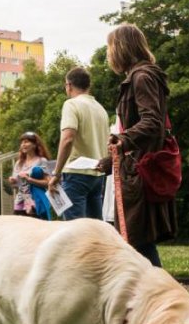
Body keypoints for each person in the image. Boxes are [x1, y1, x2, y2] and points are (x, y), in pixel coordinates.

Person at [97, 24, 177, 267]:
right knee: (135, 242)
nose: (109, 55)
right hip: (135, 167)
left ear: (121, 48)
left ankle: (160, 296)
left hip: (139, 173)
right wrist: (112, 161)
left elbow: (152, 122)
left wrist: (122, 139)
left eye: (110, 48)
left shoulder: (141, 77)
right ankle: (152, 296)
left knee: (137, 242)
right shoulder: (141, 76)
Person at [48, 67, 110, 220]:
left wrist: (56, 173)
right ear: (88, 86)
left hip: (76, 174)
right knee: (95, 228)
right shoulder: (100, 109)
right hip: (97, 175)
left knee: (75, 229)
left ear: (68, 85)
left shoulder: (71, 104)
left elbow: (68, 139)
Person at [8, 132, 51, 217]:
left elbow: (48, 183)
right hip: (20, 203)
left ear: (35, 144)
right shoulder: (19, 163)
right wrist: (13, 181)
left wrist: (30, 180)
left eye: (26, 142)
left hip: (36, 202)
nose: (23, 144)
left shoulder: (42, 161)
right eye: (22, 142)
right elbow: (15, 186)